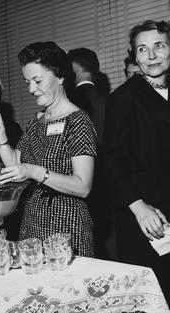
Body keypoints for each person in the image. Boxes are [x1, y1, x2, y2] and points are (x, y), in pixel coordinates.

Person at [0, 41, 97, 257]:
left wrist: (34, 171)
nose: (31, 89)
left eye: (37, 80)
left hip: (67, 229)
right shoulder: (36, 120)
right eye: (27, 82)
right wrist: (1, 135)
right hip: (31, 224)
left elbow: (83, 186)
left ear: (60, 77)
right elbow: (16, 166)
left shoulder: (78, 121)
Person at [104, 20, 170, 302]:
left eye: (159, 46)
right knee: (155, 295)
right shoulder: (124, 97)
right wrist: (138, 207)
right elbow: (111, 159)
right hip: (146, 217)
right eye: (142, 49)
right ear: (135, 56)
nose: (151, 56)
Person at [67, 48, 112, 259]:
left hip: (80, 183)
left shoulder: (70, 103)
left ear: (74, 68)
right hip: (110, 184)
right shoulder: (109, 100)